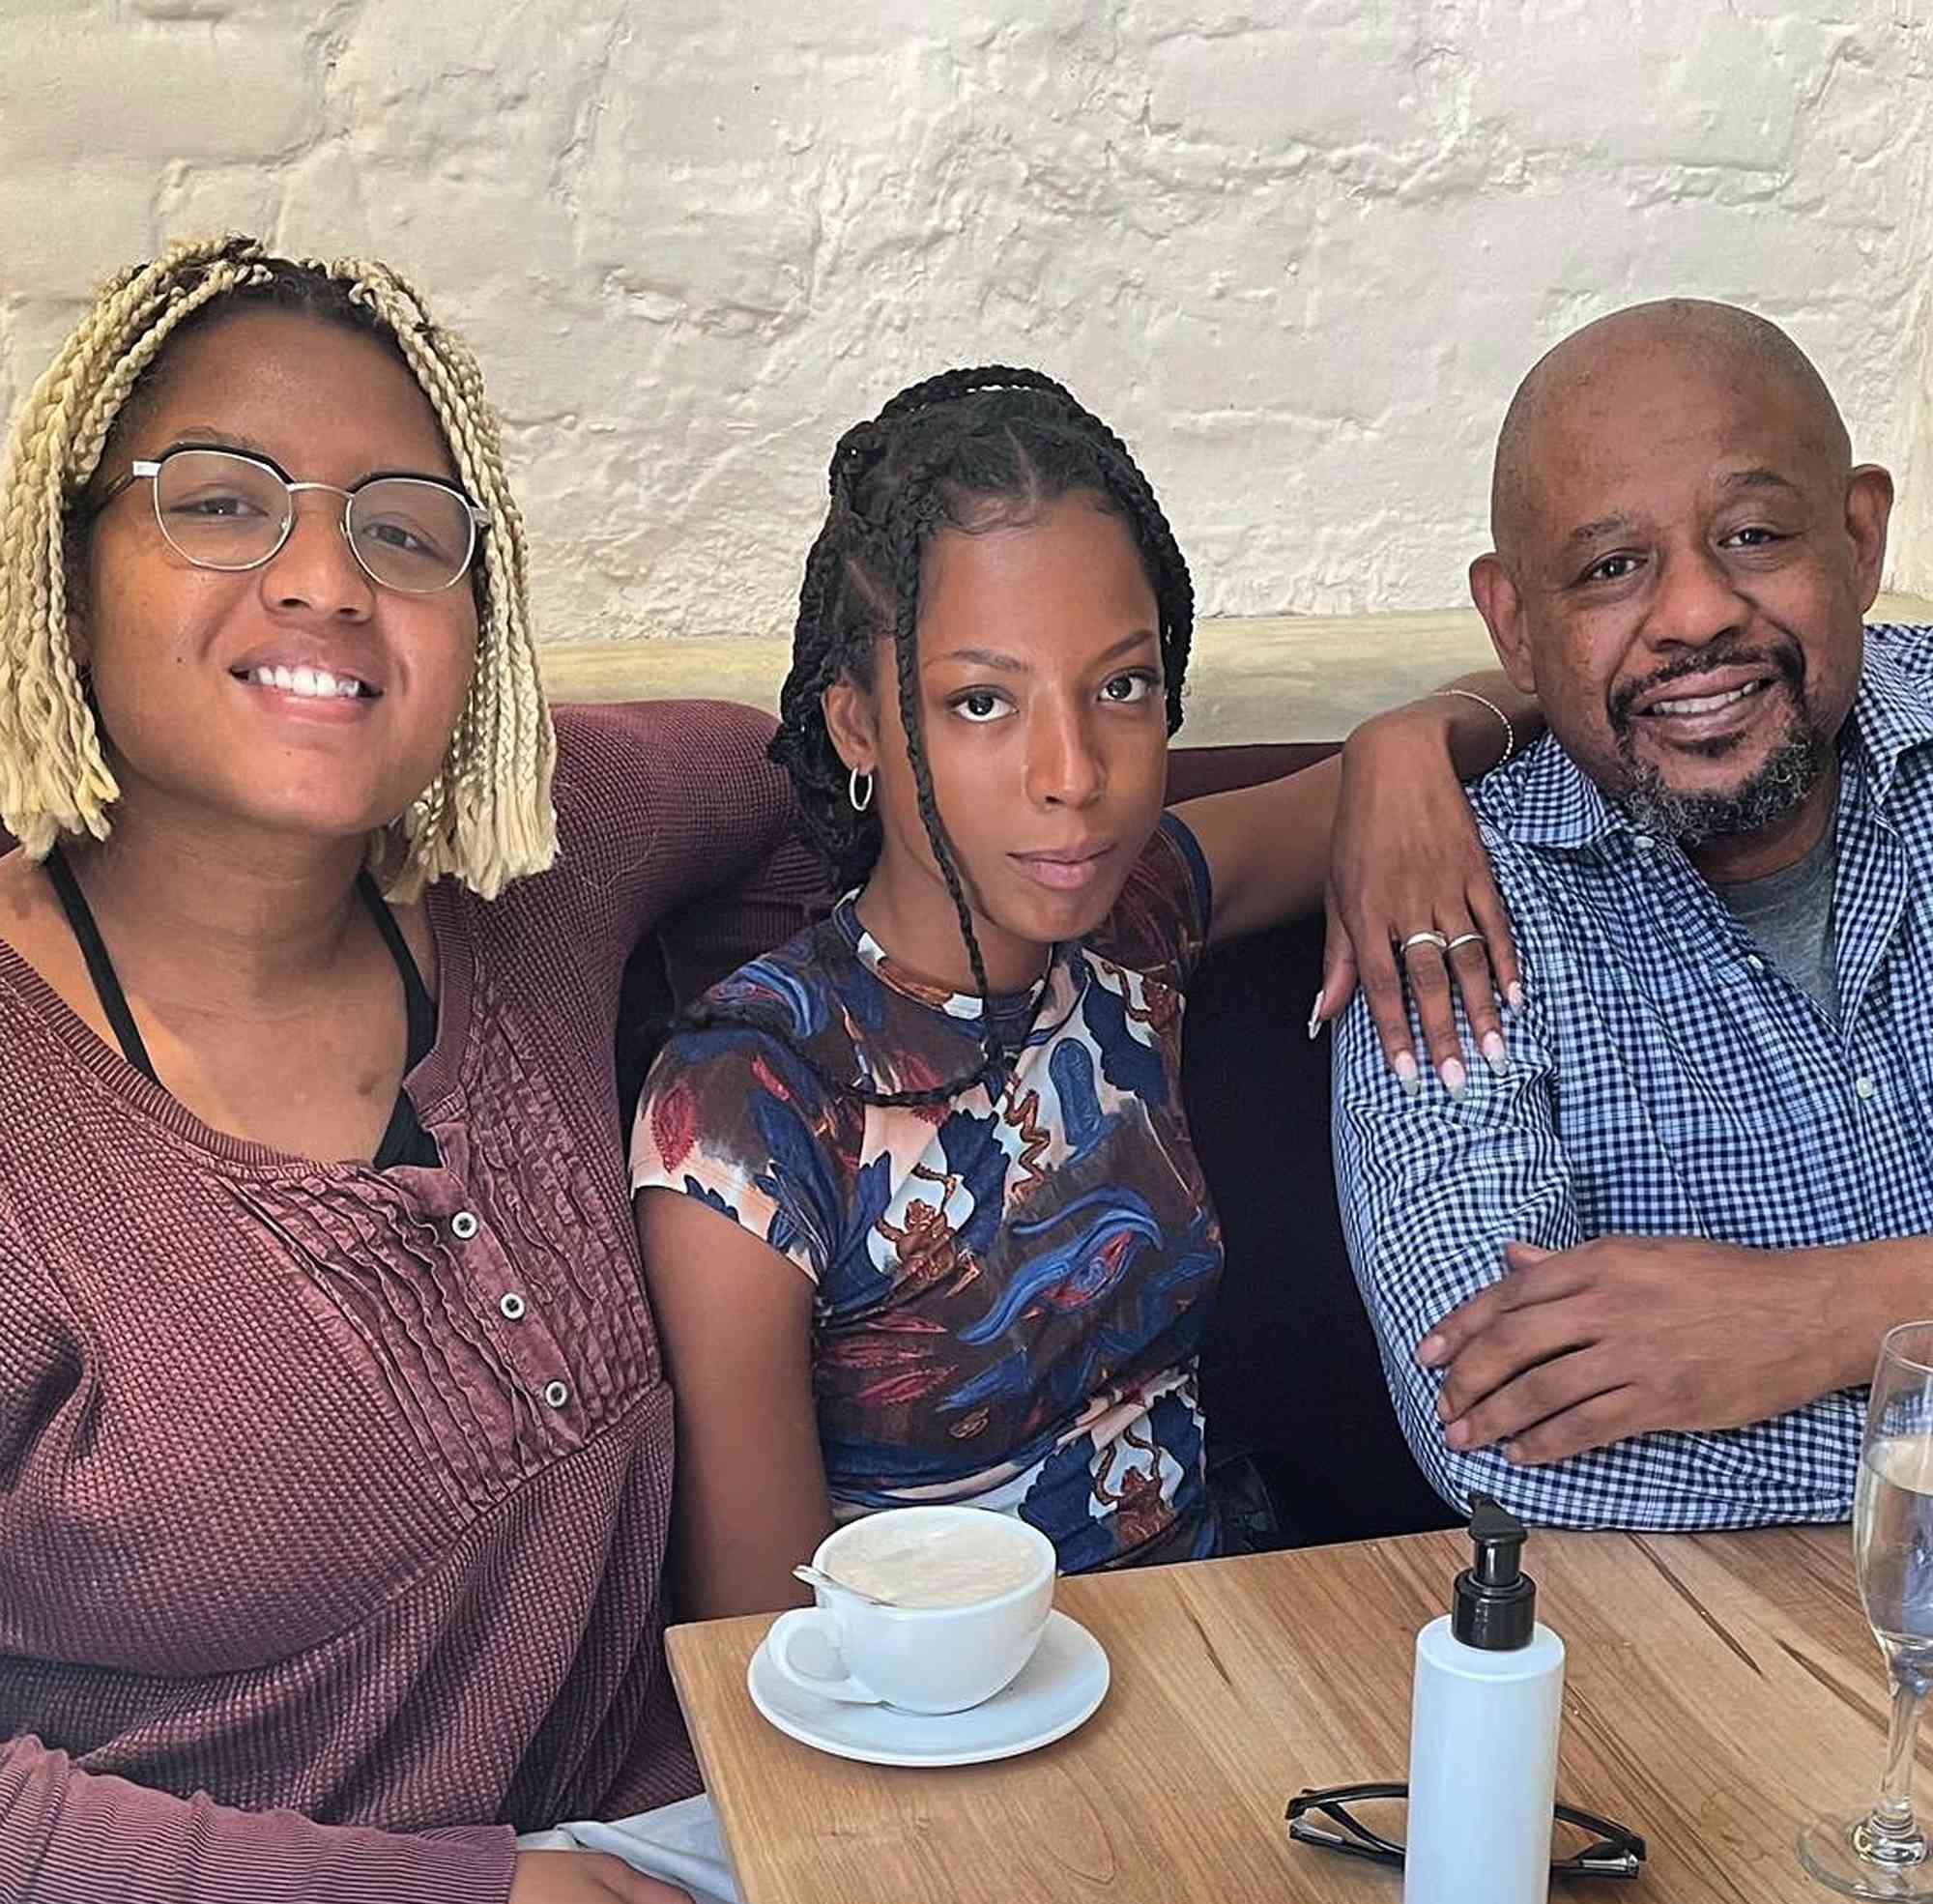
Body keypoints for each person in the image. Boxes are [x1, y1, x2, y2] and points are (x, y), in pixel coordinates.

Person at [0, 235, 815, 1904]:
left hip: (697, 1844)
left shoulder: (534, 874)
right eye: (220, 501)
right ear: (62, 576)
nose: (323, 577)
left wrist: (1439, 744)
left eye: (401, 525)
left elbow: (806, 770)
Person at [630, 366, 1539, 1619]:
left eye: (1120, 687)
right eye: (982, 702)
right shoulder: (750, 1109)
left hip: (1215, 1656)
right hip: (934, 1738)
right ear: (857, 726)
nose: (1075, 775)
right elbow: (760, 1660)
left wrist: (1405, 744)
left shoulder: (1136, 915)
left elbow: (1520, 697)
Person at [1333, 298, 1933, 1532]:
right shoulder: (1455, 905)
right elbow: (1508, 1435)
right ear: (1511, 623)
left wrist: (1831, 1313)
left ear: (1860, 537)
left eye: (1753, 533)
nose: (1696, 613)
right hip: (1724, 1684)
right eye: (1611, 567)